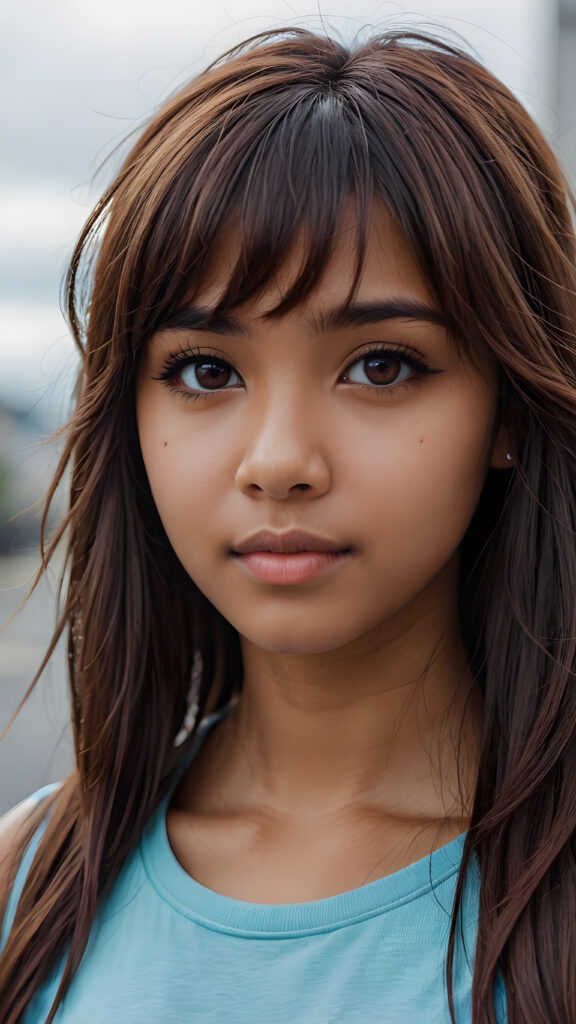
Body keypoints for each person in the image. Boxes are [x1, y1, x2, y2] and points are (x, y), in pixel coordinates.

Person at [0, 24, 575, 1024]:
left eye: (380, 366)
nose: (277, 461)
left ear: (509, 412)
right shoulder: (30, 880)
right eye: (205, 370)